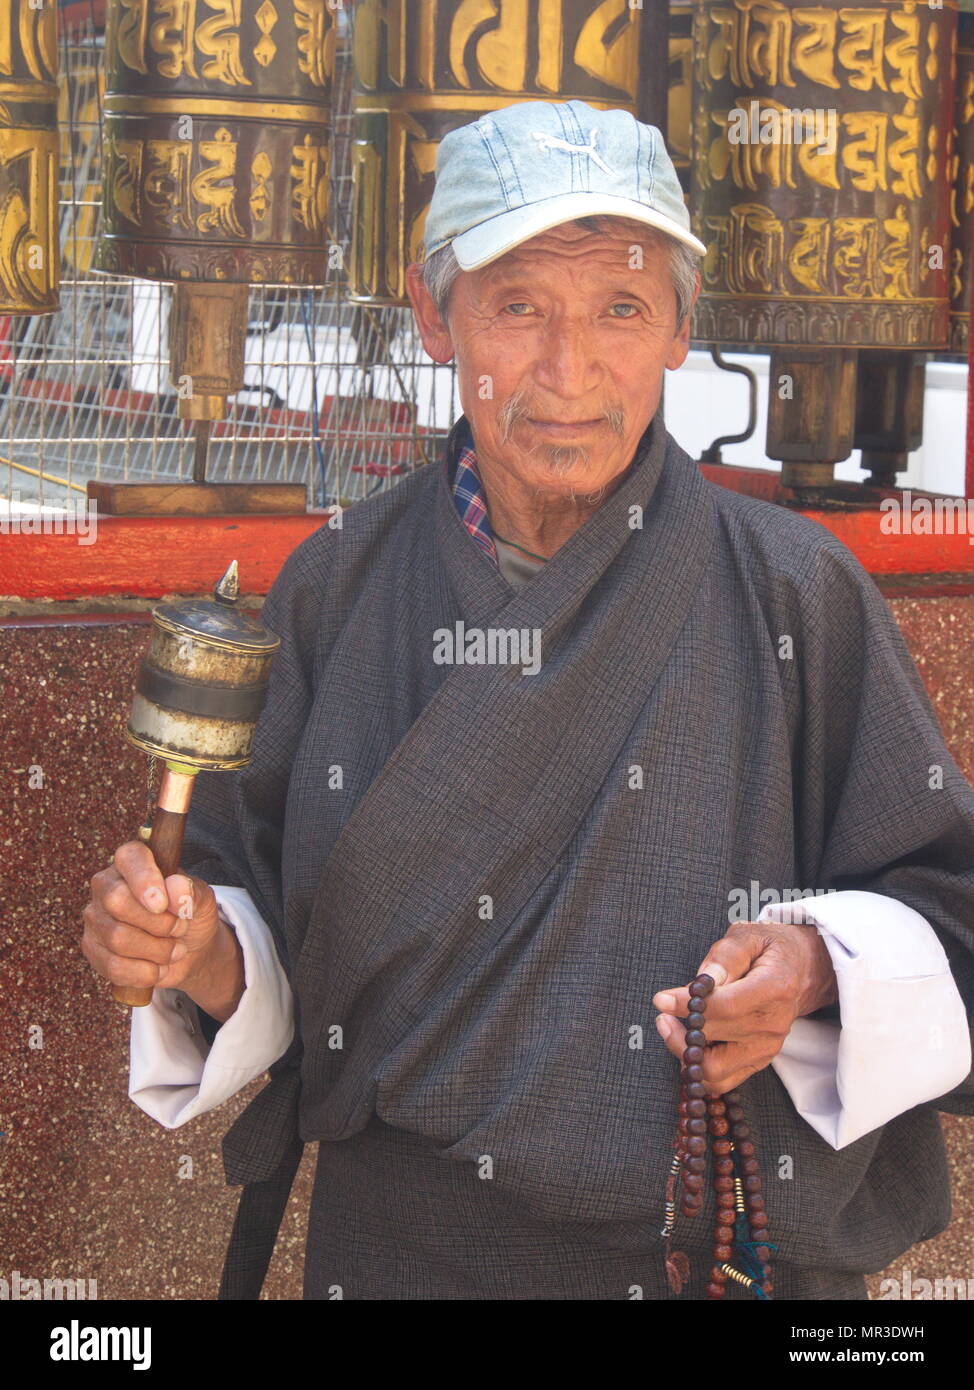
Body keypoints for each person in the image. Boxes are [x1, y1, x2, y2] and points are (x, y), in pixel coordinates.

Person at [82, 99, 974, 1301]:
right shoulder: (337, 587)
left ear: (677, 328)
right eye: (517, 306)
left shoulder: (793, 591)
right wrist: (195, 948)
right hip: (407, 1258)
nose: (567, 373)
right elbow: (260, 938)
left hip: (713, 1263)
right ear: (431, 315)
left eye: (619, 307)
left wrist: (818, 968)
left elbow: (949, 914)